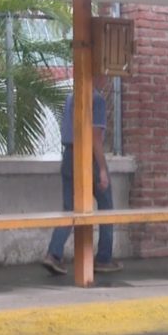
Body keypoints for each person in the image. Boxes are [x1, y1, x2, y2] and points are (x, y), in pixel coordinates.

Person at [42, 74, 123, 275]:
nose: (107, 77)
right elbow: (95, 138)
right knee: (106, 207)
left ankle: (54, 254)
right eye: (104, 73)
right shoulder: (97, 100)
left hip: (69, 155)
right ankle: (104, 258)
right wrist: (102, 169)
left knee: (70, 209)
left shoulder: (72, 97)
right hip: (87, 157)